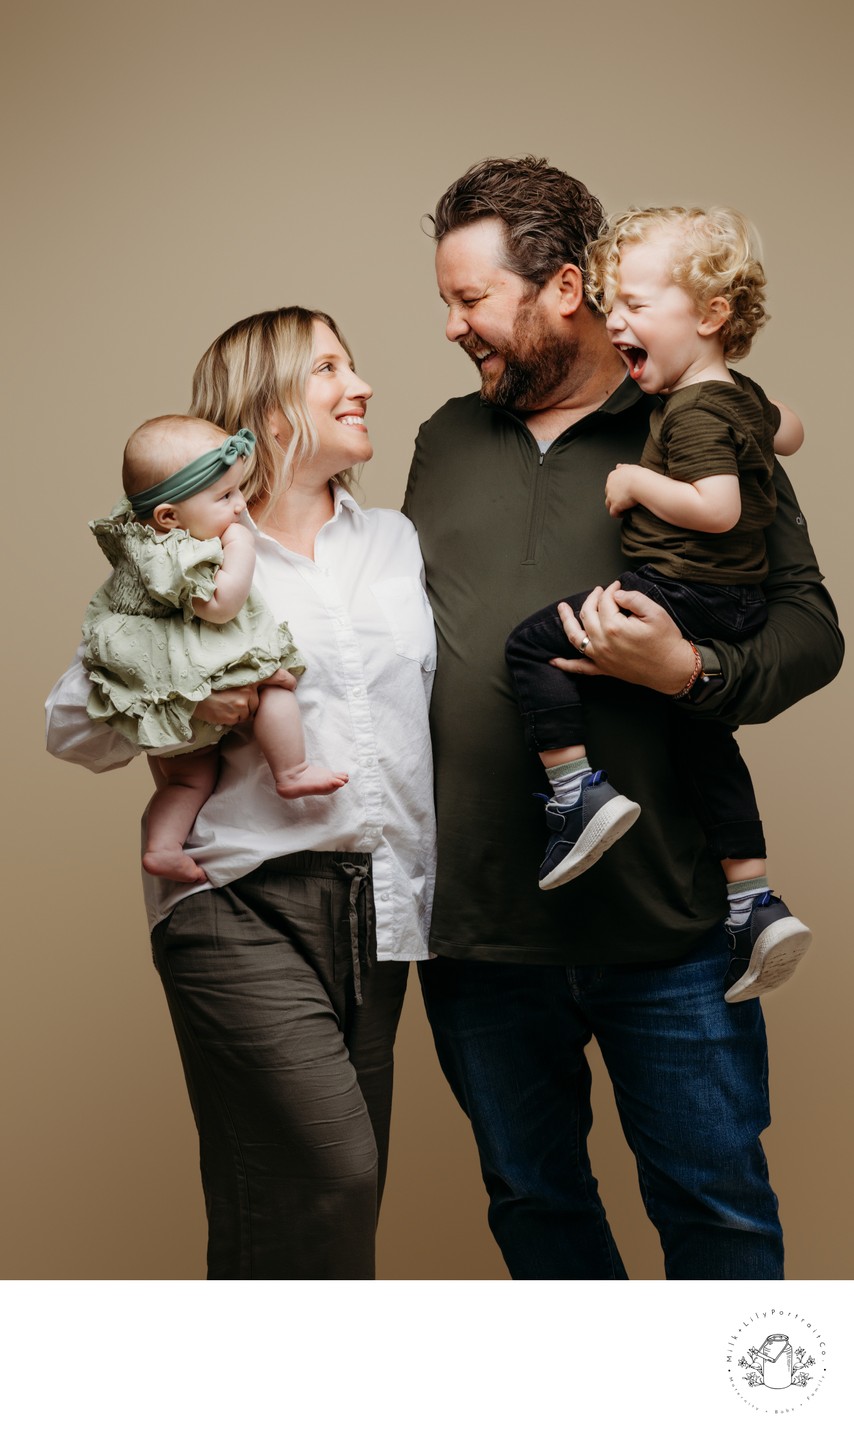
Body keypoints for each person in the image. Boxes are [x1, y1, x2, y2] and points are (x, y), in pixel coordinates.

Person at [404, 157, 843, 1280]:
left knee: (718, 1214)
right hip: (482, 931)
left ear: (562, 288)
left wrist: (686, 669)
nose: (451, 325)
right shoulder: (442, 442)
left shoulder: (694, 425)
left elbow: (808, 634)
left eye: (470, 299)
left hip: (669, 930)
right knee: (536, 1215)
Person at [46, 306, 437, 1279]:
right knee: (330, 1173)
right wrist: (195, 705)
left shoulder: (394, 543)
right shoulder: (181, 560)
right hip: (234, 899)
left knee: (304, 1202)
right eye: (330, 369)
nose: (362, 386)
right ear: (265, 414)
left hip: (376, 910)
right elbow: (72, 727)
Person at [504, 205, 811, 1004]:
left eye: (637, 305)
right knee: (703, 744)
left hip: (682, 595)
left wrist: (638, 480)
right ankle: (754, 899)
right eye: (613, 306)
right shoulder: (737, 394)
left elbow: (716, 508)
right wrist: (763, 417)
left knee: (534, 646)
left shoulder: (697, 409)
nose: (617, 323)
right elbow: (793, 431)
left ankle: (577, 794)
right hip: (727, 606)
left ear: (711, 314)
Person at [83, 416, 347, 885]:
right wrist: (241, 545)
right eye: (224, 497)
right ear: (168, 516)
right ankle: (293, 770)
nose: (239, 505)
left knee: (188, 780)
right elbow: (222, 606)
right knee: (276, 685)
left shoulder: (139, 546)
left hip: (159, 699)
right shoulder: (181, 552)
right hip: (191, 673)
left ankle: (163, 847)